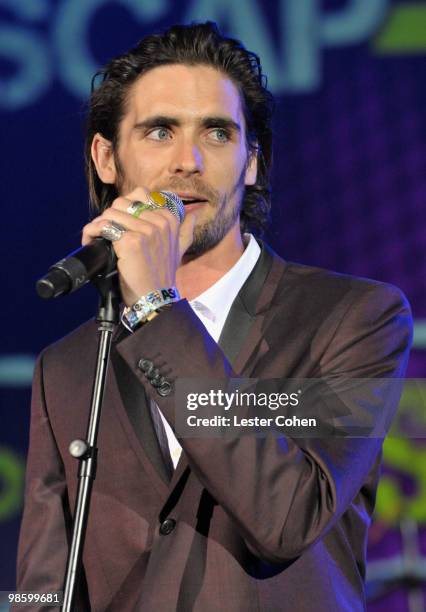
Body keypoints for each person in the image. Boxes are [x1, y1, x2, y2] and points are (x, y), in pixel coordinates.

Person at [16, 21, 412, 611]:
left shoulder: (354, 318)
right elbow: (41, 585)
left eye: (218, 133)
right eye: (159, 131)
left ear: (252, 161)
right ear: (105, 158)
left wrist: (155, 308)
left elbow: (287, 518)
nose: (188, 160)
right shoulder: (68, 366)